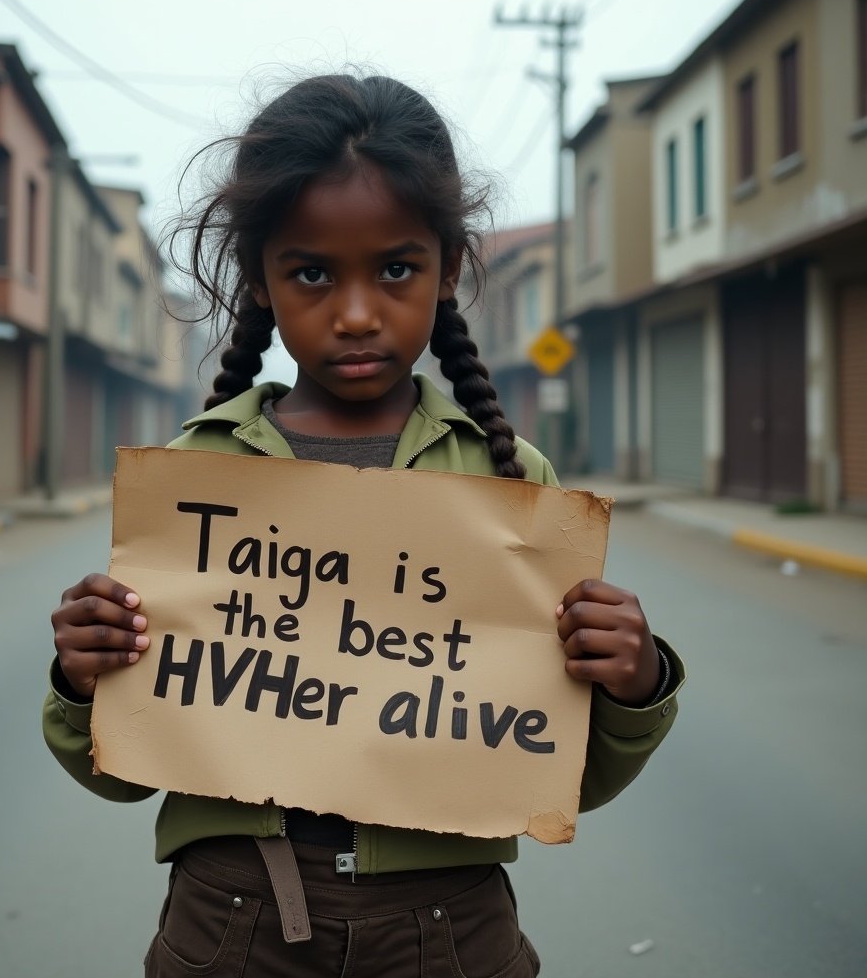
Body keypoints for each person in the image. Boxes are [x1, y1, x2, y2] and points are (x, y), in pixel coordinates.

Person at [44, 73, 684, 978]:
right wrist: (83, 677)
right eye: (311, 271)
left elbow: (564, 776)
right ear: (260, 279)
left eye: (395, 269)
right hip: (229, 924)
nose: (354, 313)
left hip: (449, 930)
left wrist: (634, 682)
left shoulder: (511, 480)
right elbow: (120, 770)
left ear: (448, 267)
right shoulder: (196, 479)